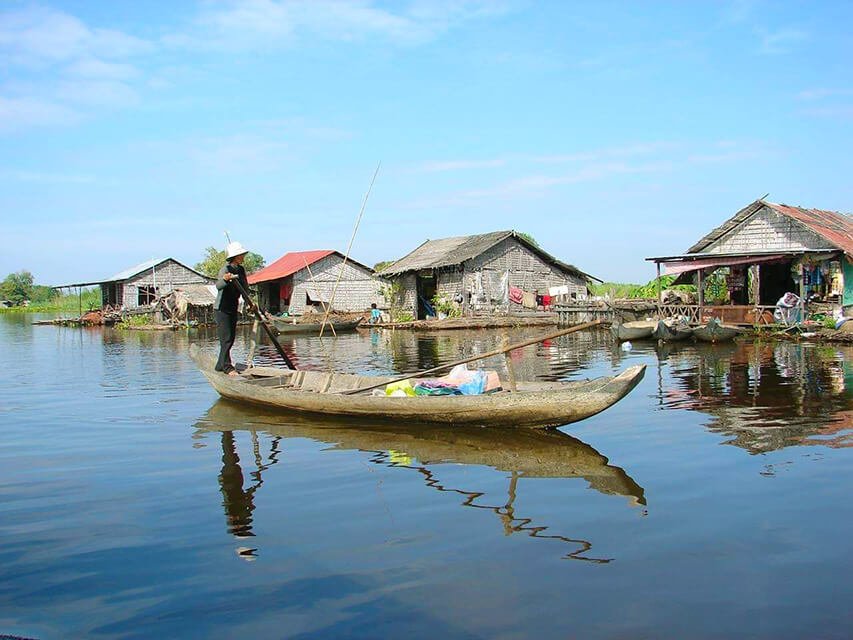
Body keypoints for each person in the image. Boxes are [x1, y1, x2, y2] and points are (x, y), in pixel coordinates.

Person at [215, 241, 255, 376]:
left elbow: (245, 288)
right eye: (241, 254)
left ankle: (220, 365)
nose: (243, 256)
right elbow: (218, 286)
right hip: (222, 308)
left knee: (231, 338)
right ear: (235, 256)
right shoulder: (225, 269)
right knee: (226, 339)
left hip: (233, 307)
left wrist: (250, 303)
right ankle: (227, 367)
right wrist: (225, 280)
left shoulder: (241, 270)